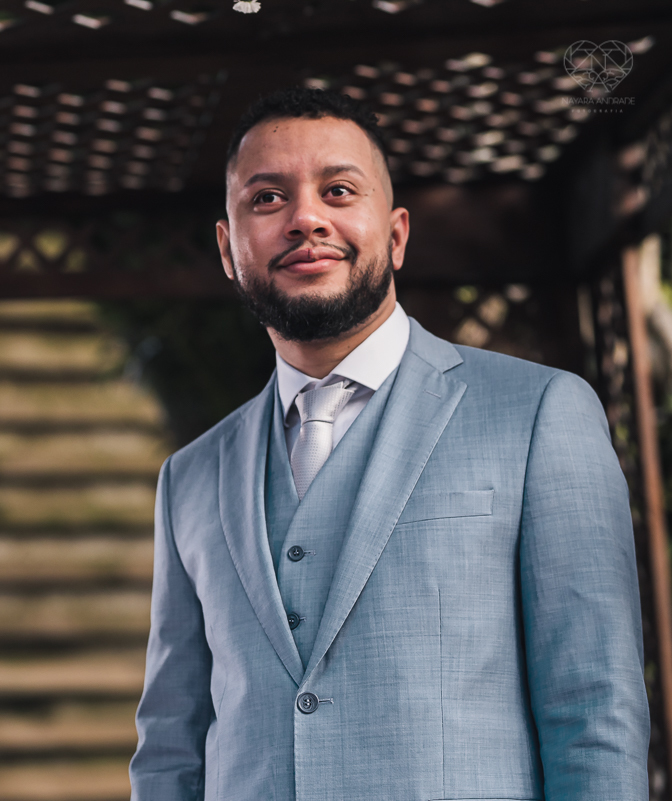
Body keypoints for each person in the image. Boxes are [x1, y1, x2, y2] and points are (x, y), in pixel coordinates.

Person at [129, 87, 649, 800]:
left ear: (397, 235)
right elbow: (170, 748)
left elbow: (594, 709)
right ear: (228, 248)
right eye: (267, 199)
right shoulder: (189, 478)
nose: (306, 218)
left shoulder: (539, 415)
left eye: (338, 191)